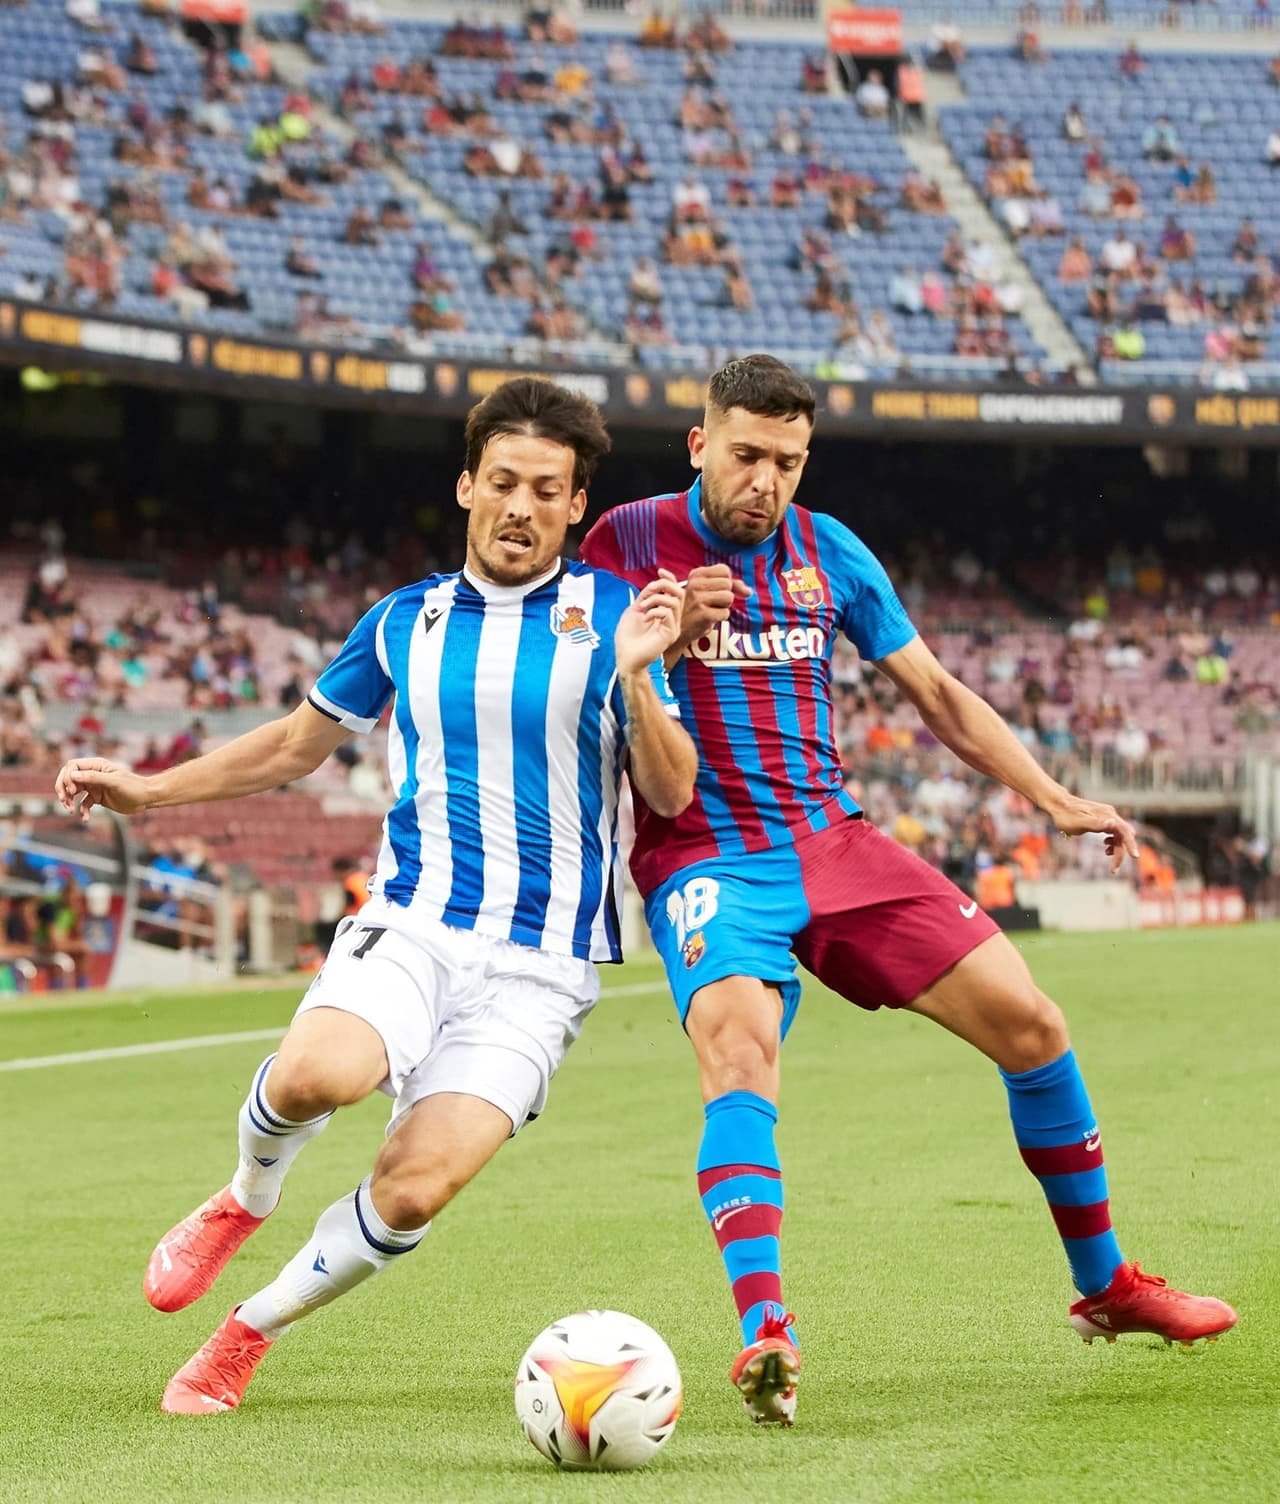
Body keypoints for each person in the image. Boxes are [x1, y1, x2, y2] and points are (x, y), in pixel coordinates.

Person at [578, 354, 1238, 1429]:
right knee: (739, 1053)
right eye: (745, 454)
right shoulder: (626, 540)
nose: (766, 481)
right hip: (701, 855)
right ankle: (766, 1331)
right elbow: (605, 689)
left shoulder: (827, 549)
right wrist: (653, 640)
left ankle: (1106, 1285)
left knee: (1031, 1023)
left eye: (787, 461)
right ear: (699, 444)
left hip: (832, 841)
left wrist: (1050, 795)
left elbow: (933, 691)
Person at [54, 377, 697, 1417]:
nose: (521, 506)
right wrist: (148, 789)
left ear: (577, 505)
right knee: (317, 1076)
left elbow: (669, 790)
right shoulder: (407, 619)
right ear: (465, 486)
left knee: (413, 1185)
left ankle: (244, 1333)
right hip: (415, 920)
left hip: (540, 969)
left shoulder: (623, 617)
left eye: (546, 488)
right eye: (502, 482)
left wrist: (634, 676)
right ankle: (244, 1195)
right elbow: (294, 747)